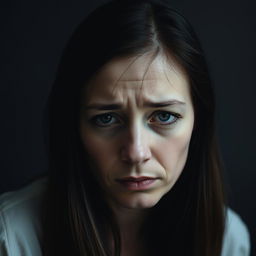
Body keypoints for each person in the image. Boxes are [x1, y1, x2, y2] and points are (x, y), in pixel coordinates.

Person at [0, 0, 251, 255]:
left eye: (164, 116)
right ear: (74, 126)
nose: (136, 152)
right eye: (106, 119)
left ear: (199, 121)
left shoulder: (227, 240)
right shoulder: (11, 238)